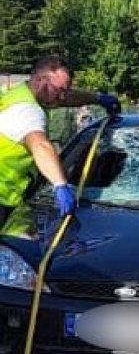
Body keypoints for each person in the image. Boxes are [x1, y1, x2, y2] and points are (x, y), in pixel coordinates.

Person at [0, 55, 120, 228]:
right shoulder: (28, 111)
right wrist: (60, 184)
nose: (63, 97)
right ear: (42, 80)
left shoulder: (21, 94)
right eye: (59, 90)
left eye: (65, 91)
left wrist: (97, 98)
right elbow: (40, 145)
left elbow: (68, 98)